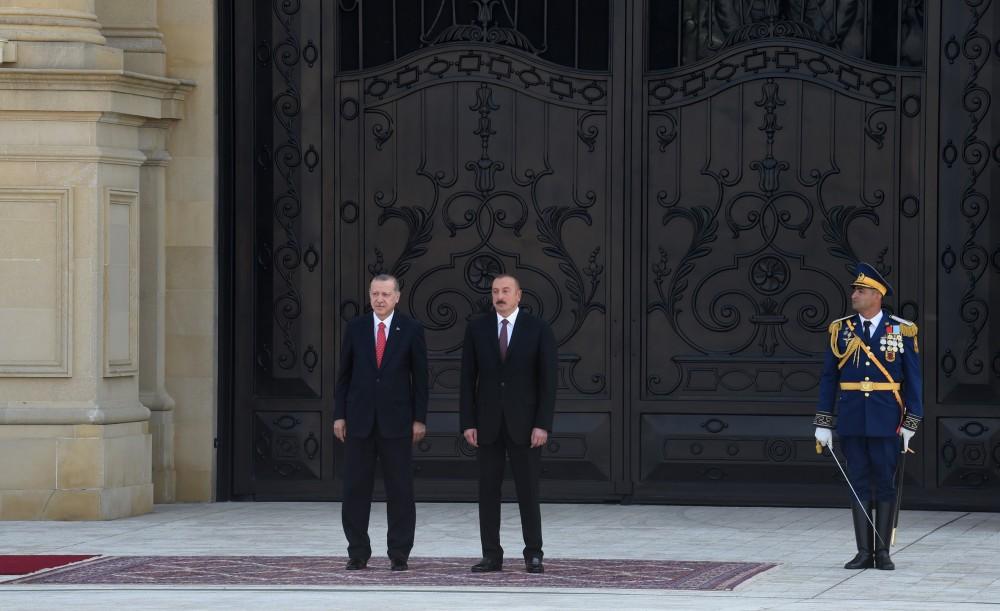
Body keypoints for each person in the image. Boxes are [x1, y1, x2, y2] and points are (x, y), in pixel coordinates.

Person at [813, 262, 922, 571]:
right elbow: (828, 378)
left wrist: (912, 421)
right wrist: (823, 421)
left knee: (885, 484)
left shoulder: (901, 329)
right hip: (851, 418)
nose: (854, 295)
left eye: (860, 290)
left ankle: (883, 552)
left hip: (887, 417)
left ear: (877, 295)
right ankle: (864, 552)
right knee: (857, 481)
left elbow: (913, 380)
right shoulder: (841, 329)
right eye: (855, 290)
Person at [460, 274, 557, 574]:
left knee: (528, 490)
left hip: (525, 425)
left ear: (519, 295)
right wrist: (468, 422)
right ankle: (491, 554)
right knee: (488, 492)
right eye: (495, 291)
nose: (500, 296)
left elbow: (548, 382)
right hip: (487, 423)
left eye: (506, 291)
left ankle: (534, 553)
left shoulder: (538, 329)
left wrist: (542, 424)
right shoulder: (477, 328)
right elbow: (466, 380)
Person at [333, 274, 428, 571]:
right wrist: (339, 414)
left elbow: (421, 379)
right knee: (355, 490)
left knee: (400, 490)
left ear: (397, 296)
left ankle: (399, 551)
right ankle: (357, 551)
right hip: (359, 422)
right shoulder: (357, 328)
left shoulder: (411, 330)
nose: (380, 299)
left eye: (386, 294)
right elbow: (344, 376)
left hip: (397, 423)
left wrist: (419, 419)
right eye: (375, 293)